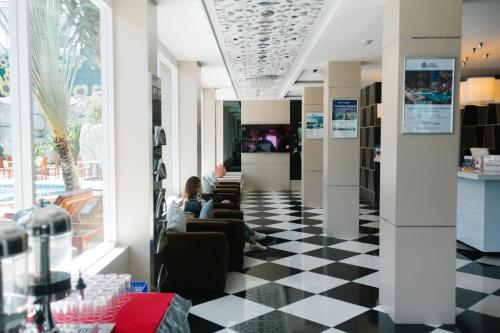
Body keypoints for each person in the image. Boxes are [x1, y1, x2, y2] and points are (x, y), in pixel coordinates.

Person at [182, 176, 268, 251]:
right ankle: (253, 240)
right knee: (235, 224)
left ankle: (253, 236)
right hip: (206, 223)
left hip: (209, 218)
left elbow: (205, 202)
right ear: (195, 187)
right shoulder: (190, 202)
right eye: (200, 186)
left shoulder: (197, 196)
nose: (201, 188)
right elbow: (193, 215)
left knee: (237, 222)